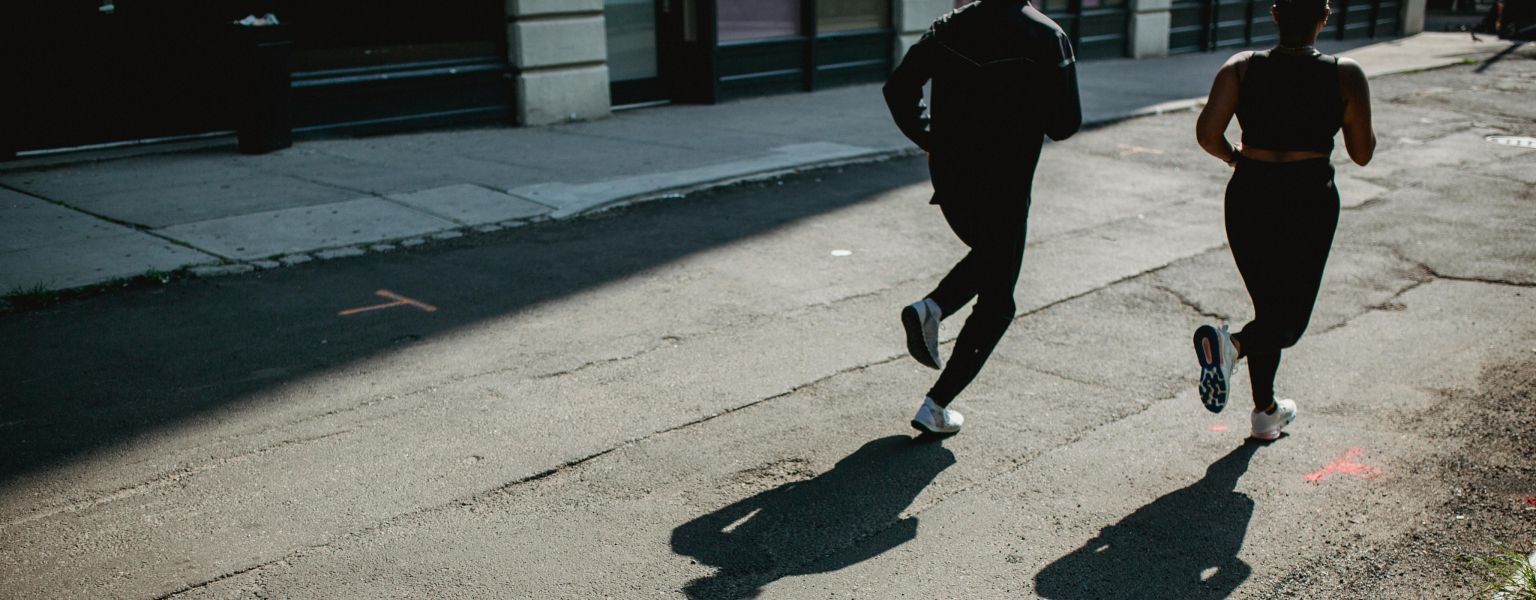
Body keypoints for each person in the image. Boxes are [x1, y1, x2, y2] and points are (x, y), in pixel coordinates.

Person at [883, 0, 1081, 434]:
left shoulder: (949, 26)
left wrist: (931, 137)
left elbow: (898, 87)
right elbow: (1065, 123)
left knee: (992, 258)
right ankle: (935, 404)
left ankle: (932, 308)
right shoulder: (1047, 36)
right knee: (998, 301)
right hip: (1005, 184)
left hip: (951, 179)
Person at [1192, 0, 1375, 440]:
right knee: (1287, 324)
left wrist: (1234, 157)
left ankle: (1265, 412)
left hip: (1249, 194)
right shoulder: (1345, 74)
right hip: (1307, 197)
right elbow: (1362, 153)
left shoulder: (1240, 68)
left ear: (1274, 14)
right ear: (1324, 16)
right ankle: (1232, 345)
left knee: (1269, 309)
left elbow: (1207, 134)